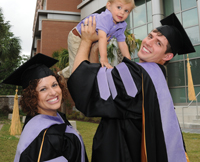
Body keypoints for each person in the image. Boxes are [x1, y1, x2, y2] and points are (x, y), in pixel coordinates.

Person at [67, 13, 195, 162]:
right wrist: (96, 49)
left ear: (167, 56)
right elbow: (101, 80)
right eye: (150, 36)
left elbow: (85, 87)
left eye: (158, 43)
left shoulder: (136, 74)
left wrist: (85, 41)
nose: (148, 42)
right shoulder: (156, 78)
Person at [2, 53, 88, 162]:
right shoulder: (48, 136)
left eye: (54, 85)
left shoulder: (50, 119)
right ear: (32, 96)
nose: (53, 92)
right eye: (43, 89)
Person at [61, 0, 135, 78]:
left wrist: (129, 62)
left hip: (91, 39)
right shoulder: (106, 18)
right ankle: (70, 76)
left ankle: (63, 73)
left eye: (126, 10)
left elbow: (122, 43)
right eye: (119, 7)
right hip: (78, 36)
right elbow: (102, 37)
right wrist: (104, 58)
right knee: (78, 67)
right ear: (109, 6)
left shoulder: (122, 25)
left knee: (84, 61)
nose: (122, 12)